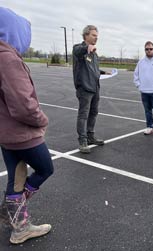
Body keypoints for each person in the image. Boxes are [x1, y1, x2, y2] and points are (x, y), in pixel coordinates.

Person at [0, 7, 54, 244]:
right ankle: (19, 222)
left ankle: (10, 214)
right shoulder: (7, 58)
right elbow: (23, 105)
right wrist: (42, 119)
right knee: (45, 169)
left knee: (16, 177)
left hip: (5, 133)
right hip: (21, 133)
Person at [73, 25, 109, 153]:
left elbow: (93, 70)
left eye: (97, 36)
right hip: (84, 88)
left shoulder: (94, 54)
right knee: (83, 114)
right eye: (94, 35)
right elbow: (78, 51)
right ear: (86, 36)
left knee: (93, 113)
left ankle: (90, 136)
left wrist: (104, 72)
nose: (96, 38)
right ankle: (82, 140)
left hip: (95, 87)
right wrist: (87, 48)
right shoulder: (79, 49)